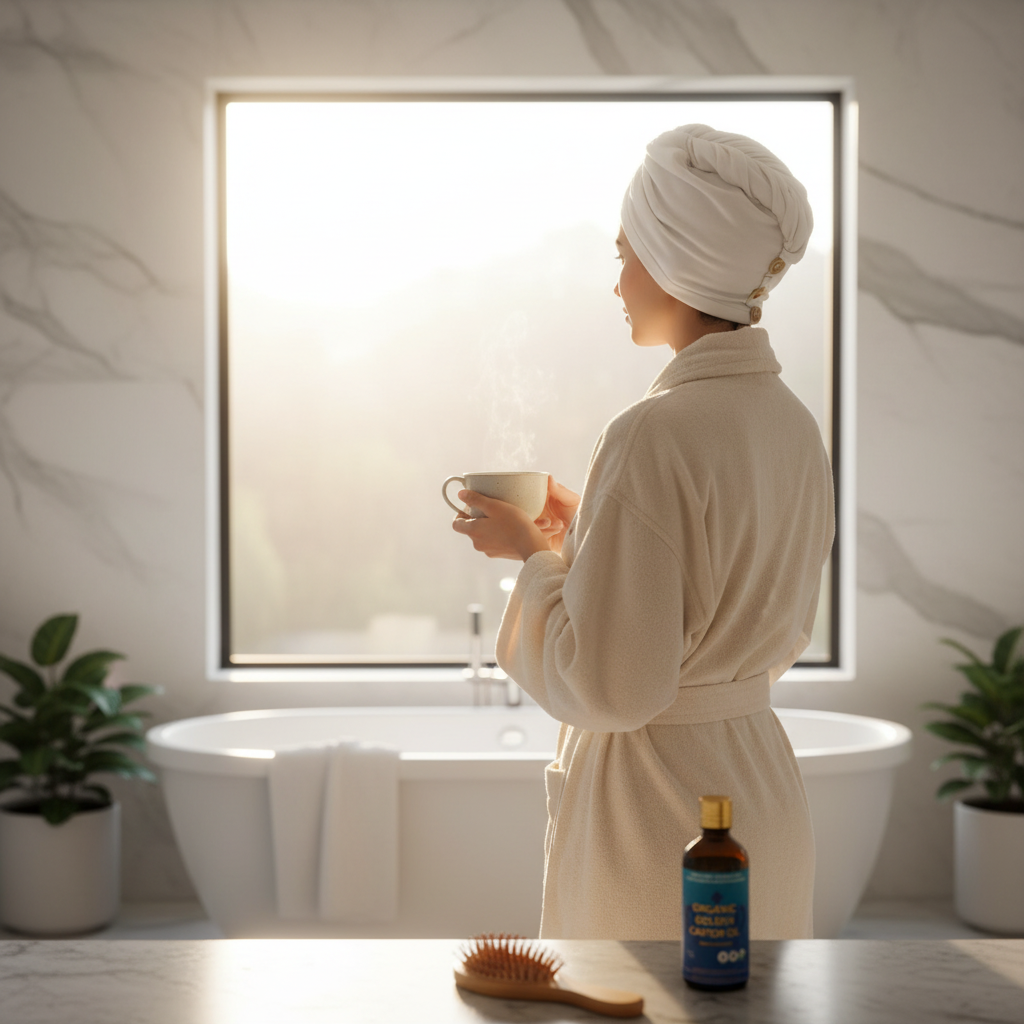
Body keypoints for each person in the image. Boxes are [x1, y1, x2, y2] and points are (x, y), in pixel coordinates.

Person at [451, 124, 835, 941]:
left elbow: (614, 688)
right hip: (758, 786)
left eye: (625, 253)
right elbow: (741, 604)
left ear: (674, 262)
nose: (617, 279)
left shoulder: (651, 433)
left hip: (664, 820)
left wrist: (536, 558)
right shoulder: (793, 424)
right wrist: (593, 528)